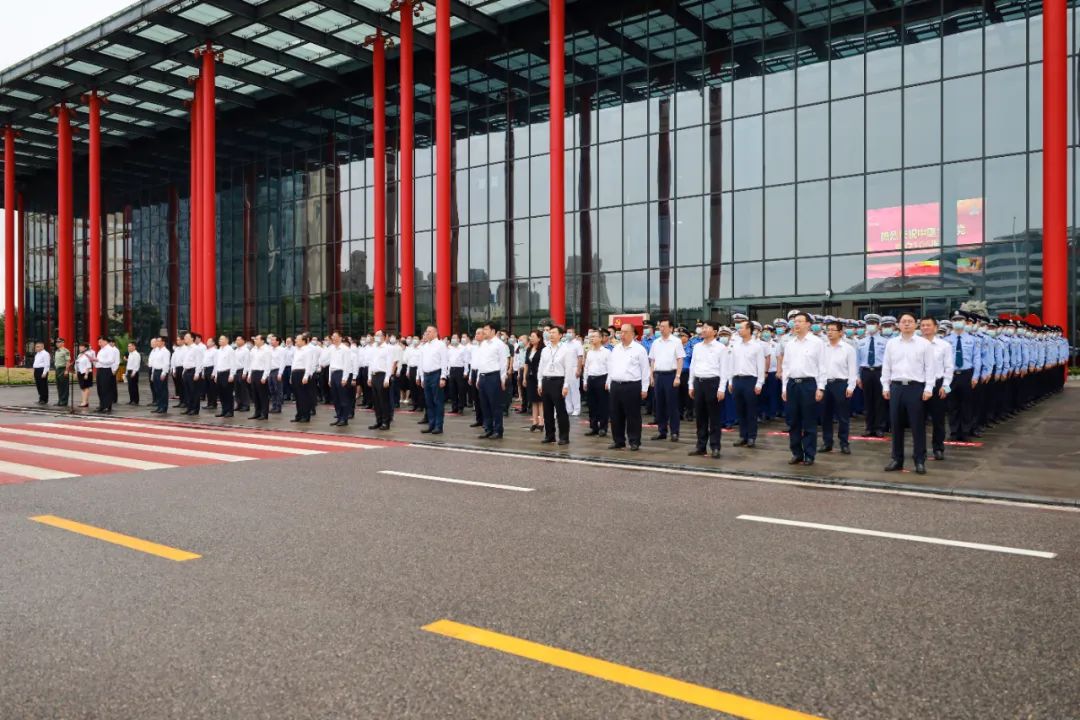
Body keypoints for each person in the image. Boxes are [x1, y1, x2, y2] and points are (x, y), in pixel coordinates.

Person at [882, 312, 934, 475]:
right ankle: (897, 459)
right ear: (898, 325)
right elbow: (886, 366)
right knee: (896, 425)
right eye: (903, 321)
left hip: (915, 388)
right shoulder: (891, 344)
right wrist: (885, 386)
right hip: (896, 388)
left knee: (917, 425)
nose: (906, 324)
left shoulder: (924, 344)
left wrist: (928, 388)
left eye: (910, 321)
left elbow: (930, 368)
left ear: (915, 324)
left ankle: (919, 460)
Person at [782, 312, 825, 466]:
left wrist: (821, 387)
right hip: (792, 384)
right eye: (795, 321)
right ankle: (796, 453)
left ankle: (809, 454)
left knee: (809, 421)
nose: (796, 324)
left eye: (800, 321)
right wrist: (784, 388)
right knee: (793, 421)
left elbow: (822, 366)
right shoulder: (790, 344)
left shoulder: (817, 343)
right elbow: (786, 367)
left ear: (808, 324)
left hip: (809, 385)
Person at [606, 323, 650, 451]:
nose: (622, 334)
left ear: (633, 334)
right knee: (615, 415)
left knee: (633, 415)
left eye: (625, 332)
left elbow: (645, 370)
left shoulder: (639, 349)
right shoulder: (616, 348)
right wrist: (609, 382)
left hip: (632, 386)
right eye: (621, 332)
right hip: (616, 385)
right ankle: (618, 441)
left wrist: (645, 388)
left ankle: (634, 441)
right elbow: (611, 367)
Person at [688, 321, 728, 458]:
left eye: (707, 328)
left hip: (713, 383)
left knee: (714, 418)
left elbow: (724, 369)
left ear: (715, 332)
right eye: (703, 327)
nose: (703, 330)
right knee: (700, 417)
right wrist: (691, 385)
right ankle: (701, 446)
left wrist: (722, 388)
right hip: (699, 383)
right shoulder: (697, 347)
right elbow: (693, 366)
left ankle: (715, 447)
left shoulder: (720, 348)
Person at [820, 320, 858, 455]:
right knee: (825, 415)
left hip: (841, 384)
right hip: (825, 384)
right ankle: (827, 442)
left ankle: (844, 443)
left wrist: (851, 386)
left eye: (832, 330)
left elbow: (853, 369)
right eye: (828, 330)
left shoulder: (848, 349)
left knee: (843, 416)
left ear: (841, 332)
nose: (829, 332)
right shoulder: (822, 348)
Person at [727, 320, 766, 448]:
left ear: (749, 330)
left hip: (750, 380)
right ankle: (742, 436)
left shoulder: (756, 346)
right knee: (740, 410)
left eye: (742, 328)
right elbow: (731, 364)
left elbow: (761, 366)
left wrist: (759, 383)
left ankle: (751, 437)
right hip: (737, 380)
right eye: (738, 328)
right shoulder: (735, 345)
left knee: (751, 410)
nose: (739, 330)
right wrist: (730, 381)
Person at [945, 312, 981, 442]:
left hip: (967, 375)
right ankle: (954, 431)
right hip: (951, 376)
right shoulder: (946, 340)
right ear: (951, 322)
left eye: (960, 319)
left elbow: (977, 359)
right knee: (951, 404)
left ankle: (965, 431)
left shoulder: (973, 339)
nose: (958, 322)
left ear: (965, 322)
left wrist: (975, 376)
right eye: (955, 320)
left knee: (967, 404)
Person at [921, 317, 953, 461]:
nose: (925, 328)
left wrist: (946, 386)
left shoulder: (944, 345)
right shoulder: (916, 344)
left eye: (928, 325)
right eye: (923, 325)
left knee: (938, 420)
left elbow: (949, 368)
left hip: (938, 385)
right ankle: (920, 449)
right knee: (918, 419)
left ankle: (938, 448)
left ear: (935, 327)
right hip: (919, 385)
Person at [537, 325, 576, 446]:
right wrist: (540, 382)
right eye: (550, 332)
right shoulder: (545, 350)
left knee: (560, 411)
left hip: (558, 381)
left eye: (554, 332)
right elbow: (541, 367)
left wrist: (566, 385)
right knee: (547, 411)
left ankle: (564, 437)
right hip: (546, 380)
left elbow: (568, 369)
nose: (551, 335)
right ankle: (550, 436)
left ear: (560, 335)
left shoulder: (566, 349)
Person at [648, 319, 685, 442]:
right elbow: (652, 360)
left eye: (664, 326)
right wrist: (651, 376)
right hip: (658, 375)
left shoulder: (676, 341)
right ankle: (662, 431)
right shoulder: (656, 342)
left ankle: (674, 432)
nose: (661, 329)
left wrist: (678, 376)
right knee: (659, 405)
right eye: (660, 326)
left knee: (672, 405)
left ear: (671, 328)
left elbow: (680, 359)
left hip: (671, 375)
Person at [474, 322, 510, 439]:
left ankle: (498, 430)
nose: (484, 331)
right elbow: (481, 362)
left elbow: (503, 363)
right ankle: (488, 429)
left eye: (486, 329)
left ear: (493, 331)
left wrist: (502, 378)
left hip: (494, 377)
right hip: (483, 377)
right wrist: (478, 377)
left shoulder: (499, 344)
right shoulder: (483, 344)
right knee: (484, 405)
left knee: (495, 405)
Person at [856, 313, 887, 437]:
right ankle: (869, 428)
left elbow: (888, 361)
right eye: (869, 323)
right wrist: (858, 377)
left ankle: (879, 427)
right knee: (867, 401)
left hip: (880, 372)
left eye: (873, 323)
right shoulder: (861, 342)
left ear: (879, 326)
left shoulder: (885, 341)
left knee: (880, 401)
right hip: (866, 372)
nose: (871, 326)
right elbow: (857, 361)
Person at [418, 326, 449, 435]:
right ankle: (431, 425)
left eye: (429, 331)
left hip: (436, 374)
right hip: (426, 375)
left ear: (436, 333)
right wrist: (422, 377)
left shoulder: (440, 345)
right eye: (426, 331)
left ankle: (438, 426)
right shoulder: (424, 346)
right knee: (429, 402)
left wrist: (443, 377)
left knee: (438, 401)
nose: (427, 333)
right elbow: (421, 363)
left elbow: (444, 361)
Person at [583, 330, 611, 437]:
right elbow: (586, 367)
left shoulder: (606, 352)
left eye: (594, 336)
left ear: (600, 338)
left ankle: (603, 427)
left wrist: (608, 381)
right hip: (591, 379)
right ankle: (593, 427)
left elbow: (610, 368)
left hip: (602, 379)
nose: (592, 338)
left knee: (603, 405)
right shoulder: (590, 352)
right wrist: (585, 381)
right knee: (592, 405)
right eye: (591, 337)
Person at [367, 331, 396, 430]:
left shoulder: (388, 348)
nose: (376, 337)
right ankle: (378, 421)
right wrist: (369, 377)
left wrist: (387, 378)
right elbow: (370, 363)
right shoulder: (373, 348)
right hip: (374, 375)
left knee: (384, 401)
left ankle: (385, 422)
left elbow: (389, 364)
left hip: (383, 376)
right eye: (376, 335)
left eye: (379, 335)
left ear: (384, 337)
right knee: (376, 401)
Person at [290, 334, 315, 424]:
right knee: (297, 396)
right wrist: (291, 376)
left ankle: (305, 416)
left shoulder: (307, 350)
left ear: (303, 341)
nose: (295, 341)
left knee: (304, 396)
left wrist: (306, 376)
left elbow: (309, 364)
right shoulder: (297, 350)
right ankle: (299, 415)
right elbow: (294, 364)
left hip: (302, 373)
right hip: (295, 373)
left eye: (297, 339)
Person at [247, 334, 272, 420]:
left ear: (262, 341)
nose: (255, 341)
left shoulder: (266, 350)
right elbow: (251, 363)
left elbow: (268, 365)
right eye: (255, 339)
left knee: (263, 395)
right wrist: (249, 374)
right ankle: (257, 412)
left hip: (261, 373)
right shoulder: (253, 350)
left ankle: (264, 413)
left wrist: (264, 377)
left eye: (257, 339)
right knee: (255, 394)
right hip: (254, 373)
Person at [523, 330, 544, 432]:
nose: (531, 338)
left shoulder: (543, 350)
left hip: (539, 377)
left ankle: (541, 422)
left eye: (533, 336)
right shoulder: (529, 349)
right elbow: (526, 364)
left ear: (539, 338)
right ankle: (534, 422)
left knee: (540, 400)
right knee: (533, 400)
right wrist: (524, 377)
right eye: (530, 336)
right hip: (530, 377)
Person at [181, 332, 205, 416]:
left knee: (194, 391)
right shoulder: (186, 348)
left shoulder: (196, 348)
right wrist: (184, 371)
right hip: (186, 371)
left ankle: (195, 409)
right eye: (185, 337)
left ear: (192, 338)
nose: (185, 338)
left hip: (193, 371)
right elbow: (186, 361)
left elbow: (199, 361)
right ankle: (189, 408)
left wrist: (197, 373)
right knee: (187, 392)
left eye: (187, 337)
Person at [95, 336, 120, 413]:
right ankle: (102, 405)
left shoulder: (110, 349)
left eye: (100, 341)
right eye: (98, 342)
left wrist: (99, 360)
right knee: (100, 389)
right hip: (100, 369)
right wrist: (95, 361)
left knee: (106, 389)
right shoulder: (101, 350)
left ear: (105, 341)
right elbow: (98, 361)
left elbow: (111, 361)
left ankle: (107, 406)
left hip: (106, 370)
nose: (99, 343)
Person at [564, 328, 585, 417]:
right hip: (566, 369)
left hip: (574, 368)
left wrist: (579, 369)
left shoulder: (577, 343)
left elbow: (580, 357)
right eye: (567, 332)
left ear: (574, 334)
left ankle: (576, 409)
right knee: (566, 388)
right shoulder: (564, 343)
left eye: (570, 332)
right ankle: (569, 408)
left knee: (575, 389)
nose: (568, 334)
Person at [149, 336, 171, 414]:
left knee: (163, 390)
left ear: (163, 342)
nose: (157, 342)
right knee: (157, 390)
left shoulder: (166, 352)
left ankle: (163, 407)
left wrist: (164, 373)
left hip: (161, 371)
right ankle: (159, 406)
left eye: (158, 341)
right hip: (155, 371)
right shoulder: (156, 351)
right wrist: (152, 374)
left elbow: (166, 363)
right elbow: (154, 363)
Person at [447, 335, 467, 414]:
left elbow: (466, 361)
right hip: (452, 370)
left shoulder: (463, 348)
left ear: (459, 339)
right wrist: (448, 371)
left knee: (460, 390)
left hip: (460, 370)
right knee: (452, 390)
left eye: (455, 338)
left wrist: (465, 372)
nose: (453, 340)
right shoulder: (450, 349)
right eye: (452, 338)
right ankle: (454, 407)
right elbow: (448, 361)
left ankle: (461, 407)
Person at [233, 336, 251, 413]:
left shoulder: (246, 350)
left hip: (242, 370)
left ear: (243, 341)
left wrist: (244, 372)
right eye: (236, 340)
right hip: (236, 371)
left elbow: (247, 362)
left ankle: (246, 405)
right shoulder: (236, 350)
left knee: (244, 389)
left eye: (238, 340)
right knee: (237, 389)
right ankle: (239, 404)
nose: (237, 341)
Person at [269, 334, 285, 414]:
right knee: (272, 390)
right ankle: (274, 406)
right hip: (270, 371)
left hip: (277, 370)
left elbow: (282, 362)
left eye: (273, 340)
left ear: (278, 342)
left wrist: (280, 373)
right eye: (271, 340)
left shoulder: (281, 350)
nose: (271, 341)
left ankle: (278, 407)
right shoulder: (270, 349)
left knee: (278, 390)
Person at [75, 342, 94, 408]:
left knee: (86, 387)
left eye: (81, 346)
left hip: (86, 373)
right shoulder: (79, 355)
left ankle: (84, 402)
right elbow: (77, 364)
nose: (80, 348)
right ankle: (84, 401)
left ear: (85, 348)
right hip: (80, 372)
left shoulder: (88, 354)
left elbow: (88, 365)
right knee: (82, 388)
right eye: (79, 346)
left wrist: (86, 374)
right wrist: (76, 372)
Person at [202, 337, 218, 410]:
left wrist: (213, 373)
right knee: (207, 388)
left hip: (211, 369)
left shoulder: (215, 351)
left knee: (212, 388)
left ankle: (213, 403)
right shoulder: (206, 351)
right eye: (207, 341)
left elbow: (216, 363)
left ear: (213, 343)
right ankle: (209, 403)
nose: (207, 342)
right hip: (206, 369)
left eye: (209, 341)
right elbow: (204, 362)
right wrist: (203, 372)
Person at [53, 338, 71, 406]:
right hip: (57, 369)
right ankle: (60, 400)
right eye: (56, 342)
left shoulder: (65, 351)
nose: (57, 343)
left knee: (64, 386)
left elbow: (68, 362)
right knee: (59, 386)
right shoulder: (57, 351)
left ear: (63, 343)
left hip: (63, 369)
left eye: (59, 342)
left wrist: (66, 370)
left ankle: (64, 401)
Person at [171, 335, 186, 408]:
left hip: (183, 368)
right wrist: (174, 369)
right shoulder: (176, 349)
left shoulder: (186, 349)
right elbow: (173, 360)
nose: (178, 341)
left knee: (184, 386)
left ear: (183, 340)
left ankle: (185, 402)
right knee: (179, 386)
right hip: (177, 368)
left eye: (179, 340)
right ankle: (181, 401)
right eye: (177, 340)